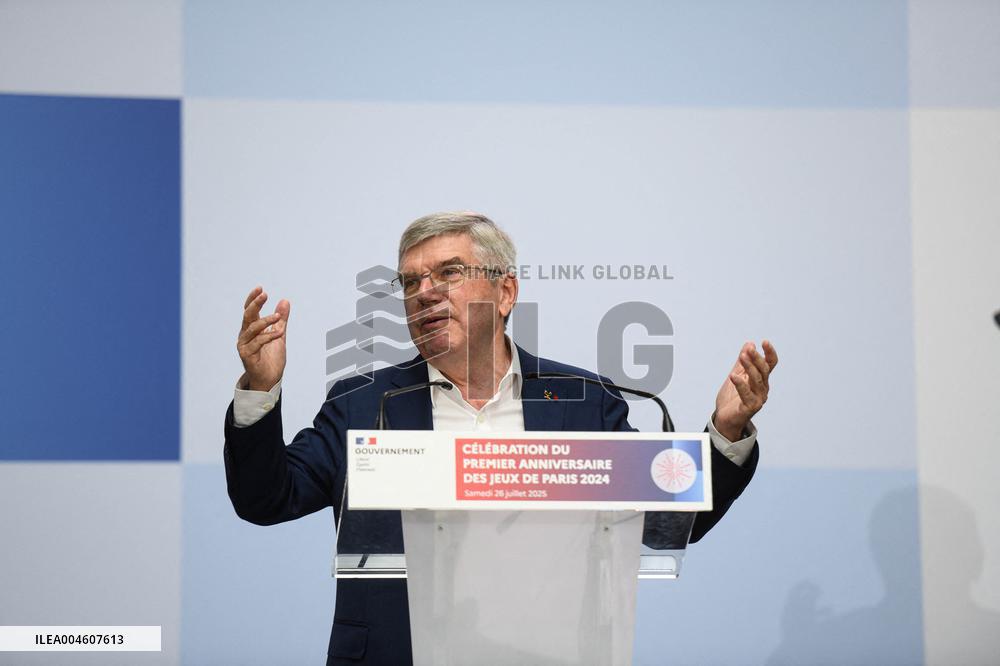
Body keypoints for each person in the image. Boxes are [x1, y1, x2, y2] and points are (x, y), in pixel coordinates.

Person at [224, 211, 778, 665]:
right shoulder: (362, 403)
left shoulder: (583, 401)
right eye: (410, 282)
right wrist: (260, 388)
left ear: (505, 292)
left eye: (448, 273)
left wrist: (725, 432)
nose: (424, 293)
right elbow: (266, 497)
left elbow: (669, 522)